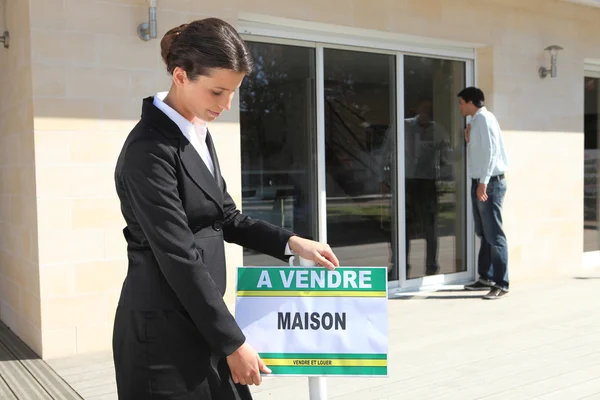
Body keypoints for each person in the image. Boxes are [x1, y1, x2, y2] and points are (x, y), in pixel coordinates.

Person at [112, 18, 340, 399]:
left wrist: (291, 242)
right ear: (181, 75)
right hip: (165, 335)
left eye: (233, 92)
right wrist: (234, 343)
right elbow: (177, 255)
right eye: (217, 91)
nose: (226, 105)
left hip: (204, 320)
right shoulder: (148, 150)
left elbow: (226, 217)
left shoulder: (197, 132)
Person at [457, 87, 509, 300]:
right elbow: (482, 151)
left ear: (471, 102)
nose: (459, 107)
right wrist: (469, 141)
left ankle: (501, 283)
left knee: (494, 234)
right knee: (484, 232)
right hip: (479, 181)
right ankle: (486, 278)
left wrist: (483, 183)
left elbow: (492, 152)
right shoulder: (477, 121)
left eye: (461, 102)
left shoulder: (485, 119)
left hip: (489, 183)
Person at [404, 100, 451, 276]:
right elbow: (389, 151)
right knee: (404, 225)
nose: (425, 114)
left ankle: (432, 266)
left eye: (429, 111)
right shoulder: (406, 126)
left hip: (428, 182)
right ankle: (401, 266)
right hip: (407, 181)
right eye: (423, 110)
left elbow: (447, 157)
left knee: (430, 226)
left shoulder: (438, 130)